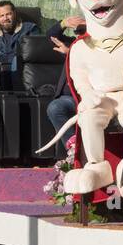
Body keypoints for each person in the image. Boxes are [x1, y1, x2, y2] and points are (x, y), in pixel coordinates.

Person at [46, 15, 85, 150]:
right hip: (68, 97)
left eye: (83, 31)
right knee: (55, 107)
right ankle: (74, 148)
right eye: (78, 32)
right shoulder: (74, 44)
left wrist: (70, 53)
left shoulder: (99, 48)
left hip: (86, 98)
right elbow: (51, 36)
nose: (80, 35)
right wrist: (64, 23)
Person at [0, 0, 36, 86]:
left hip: (22, 74)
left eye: (8, 14)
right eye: (2, 15)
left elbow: (36, 52)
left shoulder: (30, 29)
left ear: (14, 14)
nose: (5, 18)